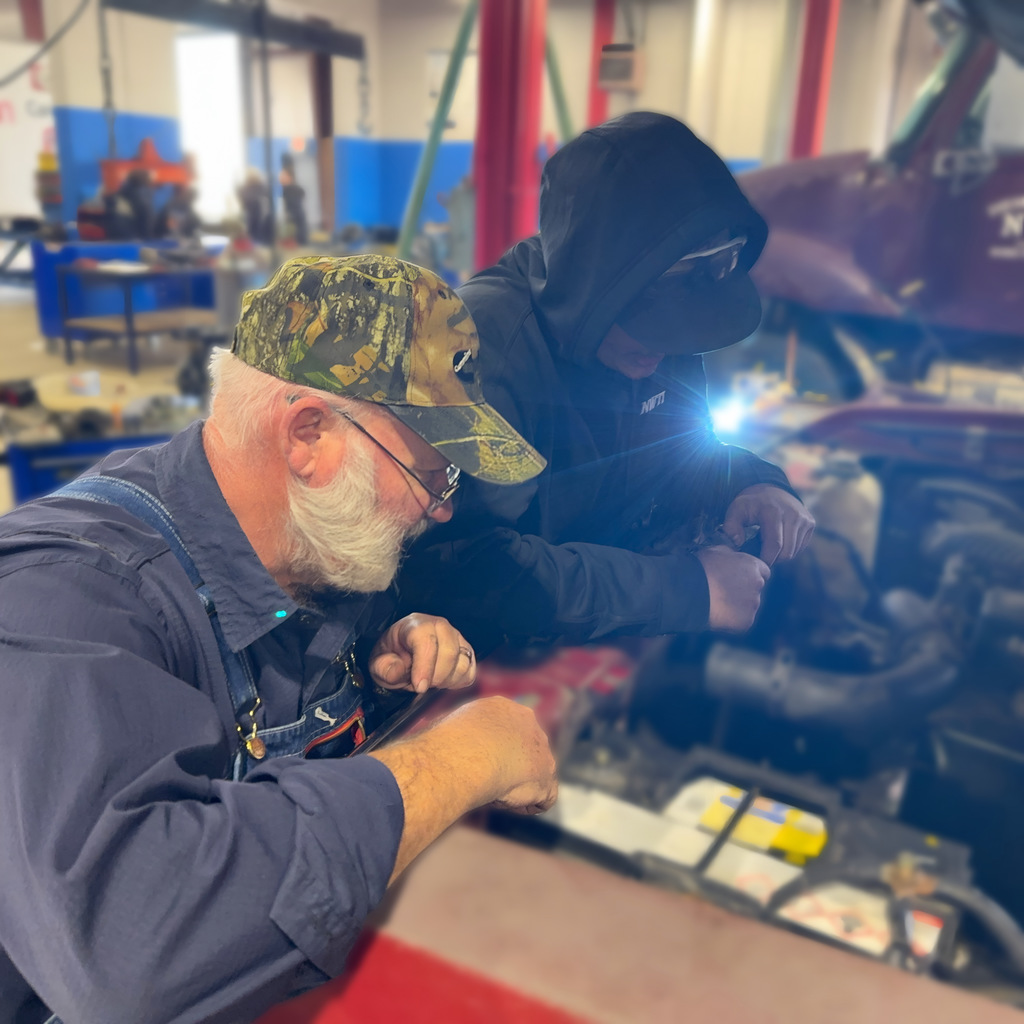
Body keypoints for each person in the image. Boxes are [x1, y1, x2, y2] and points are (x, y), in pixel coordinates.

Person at [0, 254, 557, 1024]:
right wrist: (459, 758)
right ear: (308, 434)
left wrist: (371, 662)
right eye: (429, 475)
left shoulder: (300, 538)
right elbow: (130, 958)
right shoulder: (65, 600)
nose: (440, 510)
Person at [398, 112, 815, 653]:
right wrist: (687, 590)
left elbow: (680, 458)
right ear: (591, 291)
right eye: (649, 325)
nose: (665, 349)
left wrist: (752, 482)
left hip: (611, 621)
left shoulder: (660, 346)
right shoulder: (487, 351)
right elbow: (461, 569)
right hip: (488, 657)